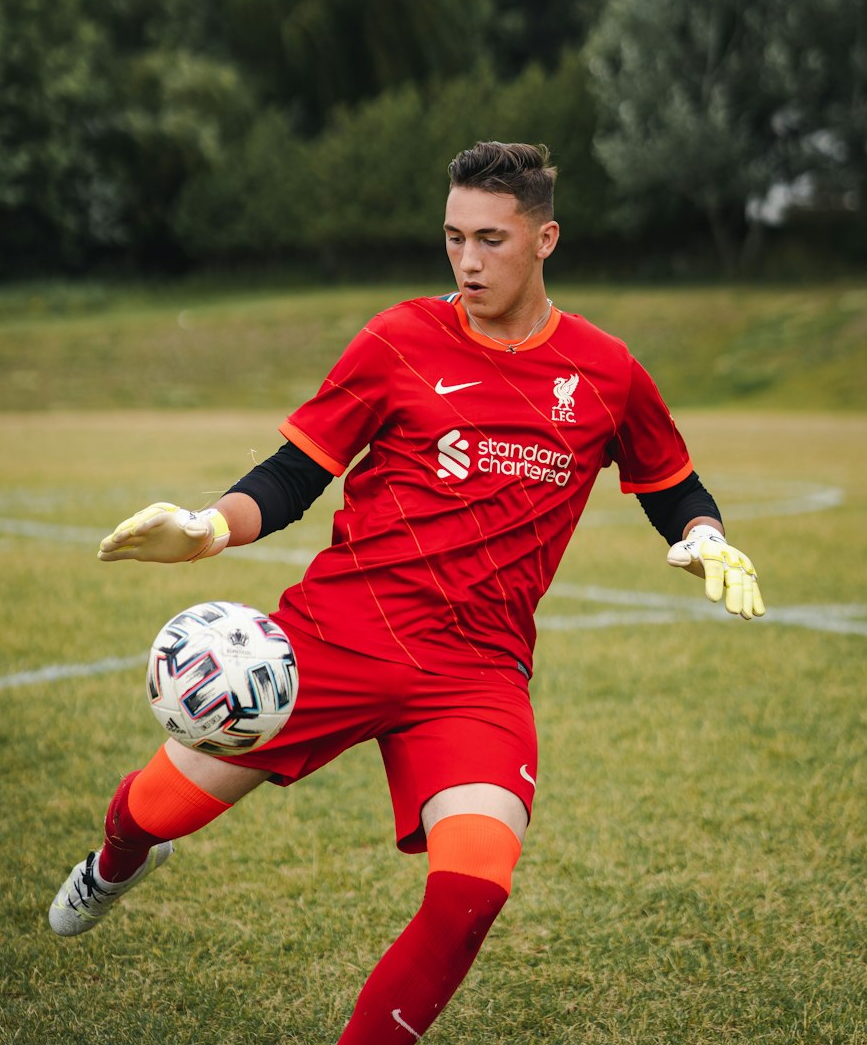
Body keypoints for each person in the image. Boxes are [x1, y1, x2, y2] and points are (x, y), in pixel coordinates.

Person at [48, 141, 765, 1042]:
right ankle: (112, 866)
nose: (468, 262)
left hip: (477, 672)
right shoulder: (398, 340)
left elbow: (675, 489)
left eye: (492, 240)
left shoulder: (607, 371)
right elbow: (291, 473)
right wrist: (206, 529)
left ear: (546, 238)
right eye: (454, 238)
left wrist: (703, 538)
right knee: (157, 808)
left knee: (474, 891)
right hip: (335, 638)